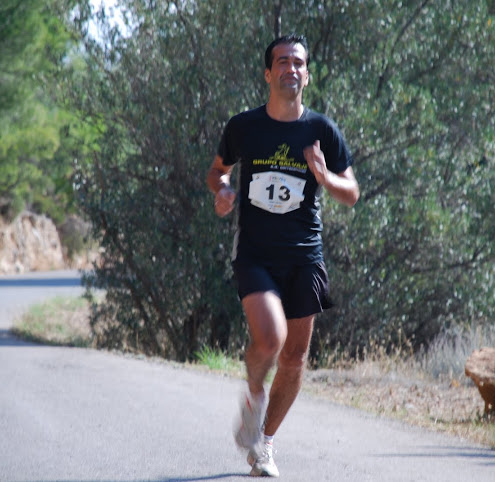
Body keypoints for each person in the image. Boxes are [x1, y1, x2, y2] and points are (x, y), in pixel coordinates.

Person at [206, 34, 359, 477]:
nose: (290, 69)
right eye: (282, 62)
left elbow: (351, 192)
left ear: (307, 75)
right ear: (268, 73)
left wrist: (326, 178)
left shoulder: (321, 131)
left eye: (298, 63)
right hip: (256, 252)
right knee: (270, 339)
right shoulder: (245, 127)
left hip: (305, 256)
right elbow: (217, 170)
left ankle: (265, 444)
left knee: (294, 357)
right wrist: (223, 189)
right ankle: (255, 394)